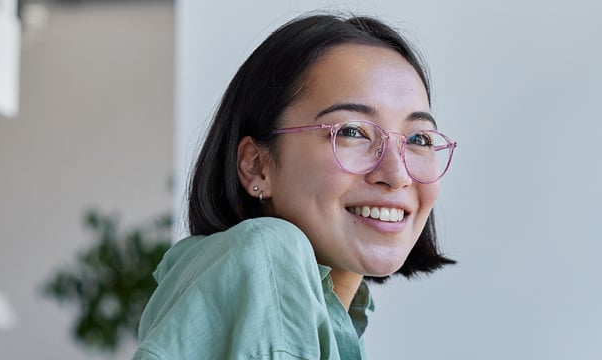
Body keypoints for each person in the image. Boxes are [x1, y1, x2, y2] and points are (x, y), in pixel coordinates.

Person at [133, 13, 457, 360]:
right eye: (351, 132)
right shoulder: (269, 255)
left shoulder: (334, 313)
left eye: (419, 138)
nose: (397, 174)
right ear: (257, 166)